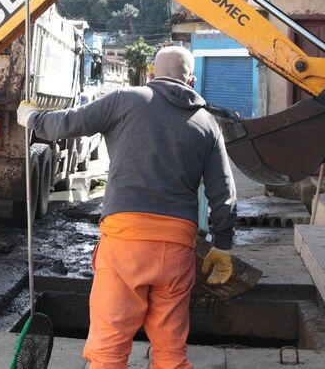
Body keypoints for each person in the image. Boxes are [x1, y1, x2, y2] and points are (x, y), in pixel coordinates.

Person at [17, 45, 237, 369]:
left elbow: (66, 125)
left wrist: (31, 117)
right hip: (177, 248)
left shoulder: (125, 100)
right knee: (171, 353)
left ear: (151, 73)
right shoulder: (207, 124)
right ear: (190, 81)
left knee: (108, 351)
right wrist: (223, 245)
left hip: (125, 244)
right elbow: (224, 193)